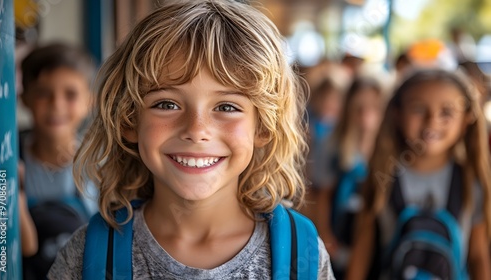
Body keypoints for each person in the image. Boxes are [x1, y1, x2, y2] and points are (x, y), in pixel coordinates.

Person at [48, 1, 335, 279]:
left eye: (226, 107)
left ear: (263, 128)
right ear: (129, 120)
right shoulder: (88, 256)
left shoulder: (303, 256)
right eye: (167, 104)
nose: (197, 130)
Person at [346, 68, 491, 279]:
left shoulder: (471, 181)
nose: (432, 120)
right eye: (418, 109)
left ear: (467, 119)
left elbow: (478, 255)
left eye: (447, 112)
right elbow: (362, 249)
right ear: (397, 114)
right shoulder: (381, 178)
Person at [19, 42, 98, 279]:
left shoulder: (102, 165)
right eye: (43, 93)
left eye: (71, 94)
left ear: (89, 101)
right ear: (25, 98)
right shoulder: (7, 162)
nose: (57, 105)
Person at [309, 77, 384, 278]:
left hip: (375, 247)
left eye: (373, 108)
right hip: (339, 237)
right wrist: (325, 237)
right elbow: (321, 195)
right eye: (359, 108)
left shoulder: (387, 151)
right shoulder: (332, 146)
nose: (366, 116)